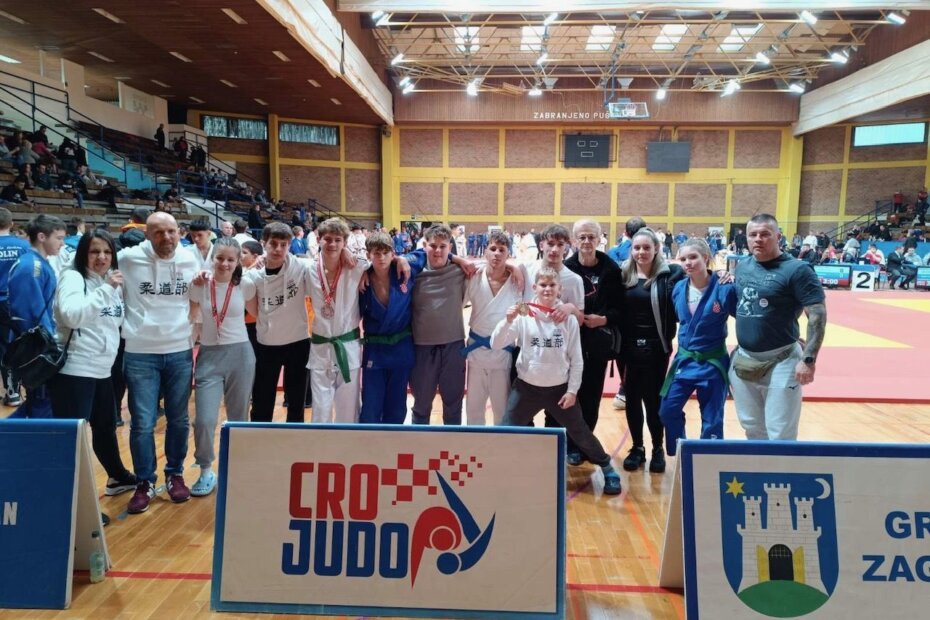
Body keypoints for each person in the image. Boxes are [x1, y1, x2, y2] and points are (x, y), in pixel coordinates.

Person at [491, 267, 622, 496]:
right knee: (505, 431)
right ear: (535, 288)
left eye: (552, 285)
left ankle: (607, 467)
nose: (547, 289)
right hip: (526, 389)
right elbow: (496, 343)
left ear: (559, 289)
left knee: (580, 433)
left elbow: (577, 360)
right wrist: (507, 321)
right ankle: (493, 469)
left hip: (559, 391)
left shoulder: (567, 319)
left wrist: (572, 391)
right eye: (543, 285)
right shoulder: (523, 314)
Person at [50, 229, 138, 510]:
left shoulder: (108, 281)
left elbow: (113, 322)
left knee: (105, 427)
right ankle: (73, 503)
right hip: (75, 370)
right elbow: (72, 315)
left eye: (107, 252)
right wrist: (106, 289)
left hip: (102, 369)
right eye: (94, 251)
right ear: (83, 254)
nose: (102, 257)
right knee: (73, 438)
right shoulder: (73, 277)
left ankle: (117, 477)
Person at [120, 212, 200, 514]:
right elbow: (91, 267)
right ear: (147, 235)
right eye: (158, 232)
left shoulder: (190, 259)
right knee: (142, 422)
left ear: (179, 232)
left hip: (179, 349)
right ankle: (144, 481)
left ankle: (175, 474)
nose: (166, 237)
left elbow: (203, 289)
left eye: (171, 231)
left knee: (179, 418)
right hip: (140, 352)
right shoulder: (128, 259)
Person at [729, 214, 826, 441]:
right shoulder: (742, 267)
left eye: (765, 234)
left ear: (778, 237)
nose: (758, 239)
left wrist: (809, 359)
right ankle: (759, 466)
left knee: (780, 431)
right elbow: (744, 309)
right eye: (753, 234)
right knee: (752, 427)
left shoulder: (797, 270)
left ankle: (782, 466)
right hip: (745, 358)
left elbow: (817, 315)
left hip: (782, 360)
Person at [188, 238, 254, 496]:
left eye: (230, 259)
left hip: (241, 355)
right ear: (212, 258)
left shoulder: (246, 284)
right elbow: (192, 315)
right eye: (220, 258)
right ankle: (205, 469)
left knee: (239, 416)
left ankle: (240, 465)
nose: (224, 264)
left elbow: (260, 312)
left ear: (238, 262)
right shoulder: (200, 285)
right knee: (204, 420)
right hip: (209, 356)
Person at [659, 239, 737, 456]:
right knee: (667, 410)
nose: (688, 263)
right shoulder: (678, 288)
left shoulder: (725, 287)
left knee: (713, 420)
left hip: (713, 362)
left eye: (693, 257)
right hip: (685, 361)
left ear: (705, 257)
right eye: (683, 259)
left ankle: (708, 461)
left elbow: (747, 319)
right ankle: (682, 453)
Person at [617, 227, 684, 473]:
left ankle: (657, 448)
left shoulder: (670, 274)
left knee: (653, 400)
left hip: (656, 348)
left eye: (647, 247)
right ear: (631, 250)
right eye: (637, 247)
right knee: (632, 399)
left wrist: (720, 275)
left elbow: (698, 274)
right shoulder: (622, 275)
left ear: (656, 248)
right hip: (627, 348)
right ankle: (637, 448)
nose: (641, 252)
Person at [562, 220, 623, 463]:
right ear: (574, 240)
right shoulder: (566, 268)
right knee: (569, 394)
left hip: (597, 343)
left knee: (591, 396)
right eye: (582, 237)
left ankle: (585, 445)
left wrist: (603, 319)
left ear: (600, 239)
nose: (587, 241)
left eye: (591, 237)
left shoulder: (611, 269)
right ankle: (569, 445)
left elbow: (620, 308)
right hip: (569, 344)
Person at [242, 222, 313, 423]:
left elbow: (326, 261)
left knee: (297, 401)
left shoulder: (301, 266)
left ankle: (294, 437)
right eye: (273, 244)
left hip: (298, 341)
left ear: (290, 245)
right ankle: (261, 437)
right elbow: (254, 311)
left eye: (284, 244)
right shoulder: (253, 276)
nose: (278, 249)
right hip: (267, 343)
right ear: (264, 243)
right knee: (262, 400)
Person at [305, 218, 370, 423]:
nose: (332, 244)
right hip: (320, 348)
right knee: (320, 410)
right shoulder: (308, 269)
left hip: (348, 348)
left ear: (345, 242)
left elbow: (384, 260)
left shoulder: (357, 266)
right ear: (318, 239)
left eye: (338, 240)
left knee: (348, 411)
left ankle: (348, 444)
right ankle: (321, 443)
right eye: (327, 239)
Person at [6, 214, 66, 417]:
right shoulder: (32, 266)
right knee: (42, 403)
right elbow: (29, 313)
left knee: (42, 401)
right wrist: (48, 346)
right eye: (59, 238)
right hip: (37, 348)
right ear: (42, 237)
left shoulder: (38, 263)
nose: (62, 243)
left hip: (40, 343)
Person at [463, 230, 522, 425]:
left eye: (502, 250)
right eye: (493, 248)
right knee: (473, 408)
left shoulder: (517, 281)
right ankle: (474, 441)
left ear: (508, 253)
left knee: (501, 409)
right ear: (485, 251)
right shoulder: (473, 277)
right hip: (476, 351)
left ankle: (501, 444)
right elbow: (458, 304)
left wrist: (515, 268)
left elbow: (526, 308)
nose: (497, 253)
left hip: (503, 352)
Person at [359, 231, 417, 424]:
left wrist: (402, 259)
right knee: (371, 407)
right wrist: (363, 272)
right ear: (368, 255)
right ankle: (369, 442)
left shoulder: (405, 270)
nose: (381, 257)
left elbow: (427, 253)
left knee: (397, 406)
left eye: (386, 253)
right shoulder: (362, 280)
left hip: (401, 348)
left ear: (393, 253)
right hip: (375, 350)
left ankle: (394, 442)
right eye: (376, 253)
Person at [0, 208, 29, 406]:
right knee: (12, 346)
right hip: (14, 303)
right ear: (11, 224)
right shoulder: (23, 246)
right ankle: (13, 393)